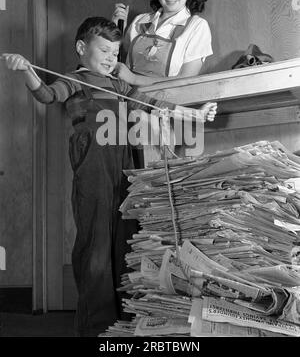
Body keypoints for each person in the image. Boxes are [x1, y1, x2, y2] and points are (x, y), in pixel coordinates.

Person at [3, 17, 217, 337]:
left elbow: (155, 105)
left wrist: (196, 114)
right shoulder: (74, 80)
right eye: (104, 50)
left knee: (126, 243)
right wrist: (26, 71)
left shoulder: (119, 85)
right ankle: (96, 328)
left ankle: (126, 322)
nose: (110, 58)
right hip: (93, 169)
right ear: (81, 48)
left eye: (115, 53)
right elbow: (46, 95)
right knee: (96, 248)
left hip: (126, 166)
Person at [112, 0, 213, 86]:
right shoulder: (139, 21)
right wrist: (114, 29)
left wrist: (134, 79)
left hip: (167, 106)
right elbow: (115, 64)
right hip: (128, 103)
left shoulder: (197, 27)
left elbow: (185, 81)